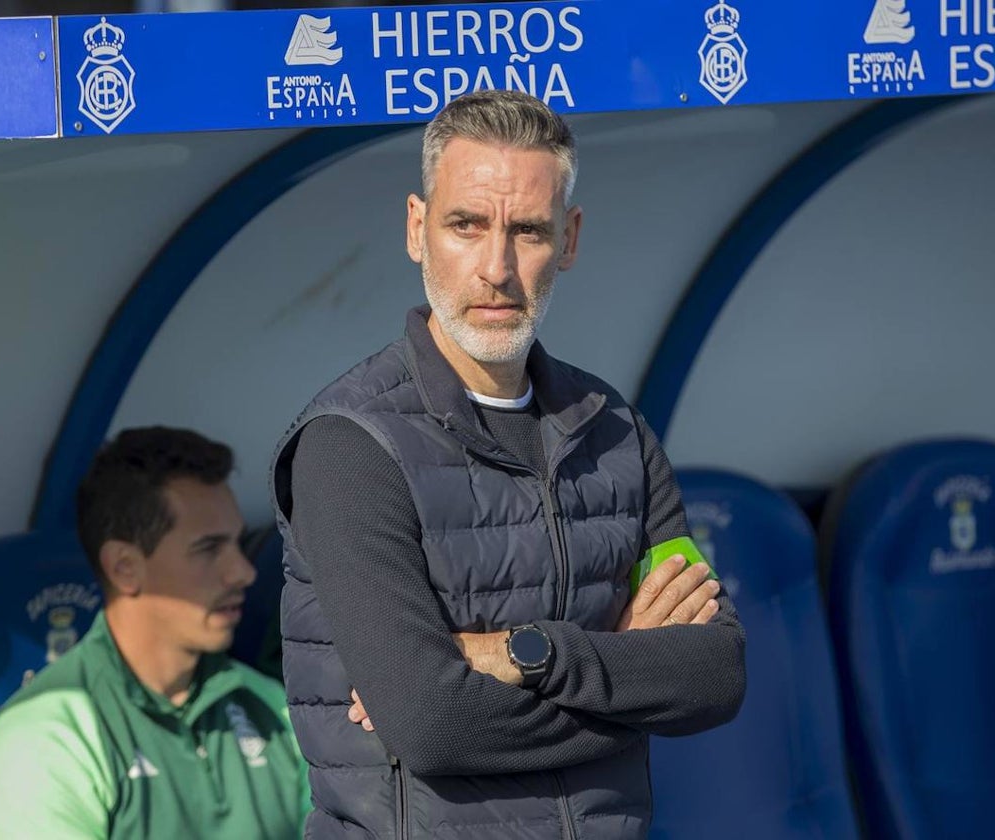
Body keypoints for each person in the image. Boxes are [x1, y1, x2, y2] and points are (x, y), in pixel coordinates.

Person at [270, 90, 746, 839]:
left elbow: (714, 675)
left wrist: (528, 653)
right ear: (418, 229)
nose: (496, 267)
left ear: (570, 239)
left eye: (527, 231)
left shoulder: (613, 428)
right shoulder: (350, 444)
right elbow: (431, 723)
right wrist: (624, 676)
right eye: (467, 224)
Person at [0, 426, 310, 838]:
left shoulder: (274, 707)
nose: (243, 572)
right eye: (209, 548)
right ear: (124, 567)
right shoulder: (43, 743)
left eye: (237, 543)